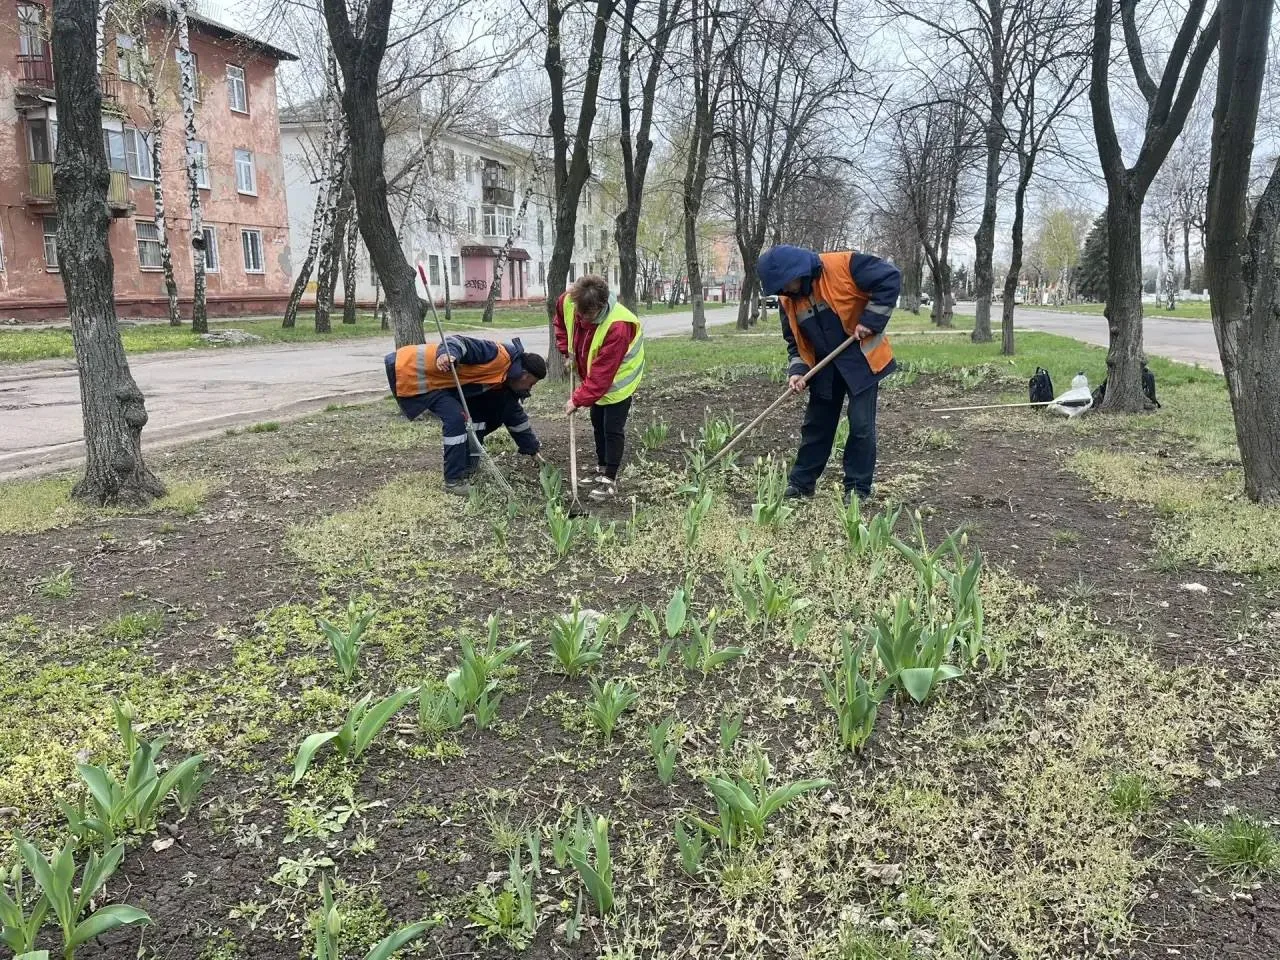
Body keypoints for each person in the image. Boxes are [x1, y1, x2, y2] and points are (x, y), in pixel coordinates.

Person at [756, 244, 901, 504]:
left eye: (787, 283)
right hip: (824, 366)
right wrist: (798, 371)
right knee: (816, 425)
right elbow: (795, 341)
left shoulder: (845, 265)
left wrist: (870, 321)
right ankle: (801, 485)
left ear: (797, 271)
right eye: (781, 287)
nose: (786, 290)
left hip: (861, 360)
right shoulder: (787, 299)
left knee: (861, 425)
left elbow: (890, 278)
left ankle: (857, 489)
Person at [384, 335, 546, 495]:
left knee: (479, 417)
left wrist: (533, 450)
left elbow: (515, 417)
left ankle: (468, 466)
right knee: (457, 418)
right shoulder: (498, 355)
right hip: (408, 368)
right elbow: (458, 341)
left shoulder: (504, 383)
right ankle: (453, 481)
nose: (529, 389)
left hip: (436, 383)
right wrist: (447, 355)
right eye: (531, 383)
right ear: (524, 374)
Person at [553, 274, 646, 500]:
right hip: (594, 376)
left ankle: (610, 479)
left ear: (601, 305)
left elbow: (603, 375)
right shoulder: (568, 301)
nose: (582, 319)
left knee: (612, 427)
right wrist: (567, 352)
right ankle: (602, 467)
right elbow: (561, 324)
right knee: (597, 420)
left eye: (588, 315)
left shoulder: (619, 325)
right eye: (579, 313)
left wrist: (577, 399)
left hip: (618, 378)